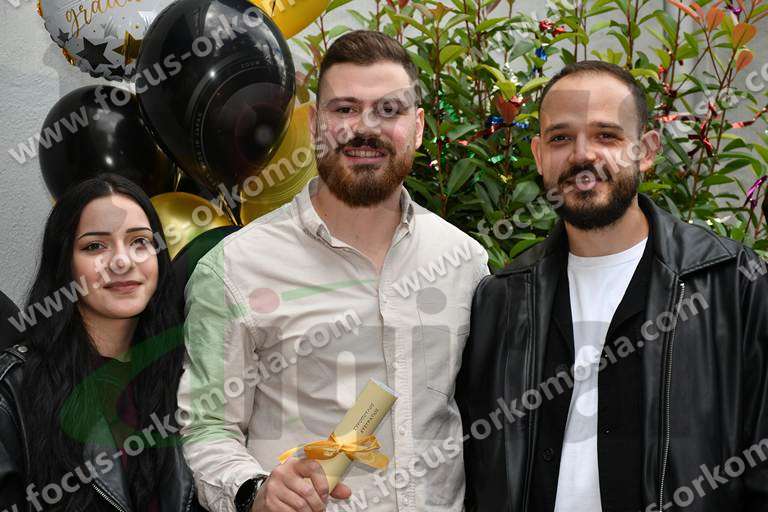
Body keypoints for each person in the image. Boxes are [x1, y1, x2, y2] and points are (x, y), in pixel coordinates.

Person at [178, 30, 489, 512]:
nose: (365, 127)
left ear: (418, 127)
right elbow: (207, 428)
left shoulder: (464, 262)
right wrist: (255, 490)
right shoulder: (235, 268)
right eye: (345, 109)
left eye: (389, 110)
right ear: (314, 123)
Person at [457, 60, 768, 512]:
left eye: (607, 135)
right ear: (539, 156)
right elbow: (473, 462)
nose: (583, 156)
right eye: (560, 138)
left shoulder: (731, 282)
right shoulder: (502, 298)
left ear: (647, 150)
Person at [0, 174, 200, 511]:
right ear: (64, 264)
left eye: (140, 241)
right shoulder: (14, 389)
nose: (122, 261)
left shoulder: (188, 369)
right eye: (95, 246)